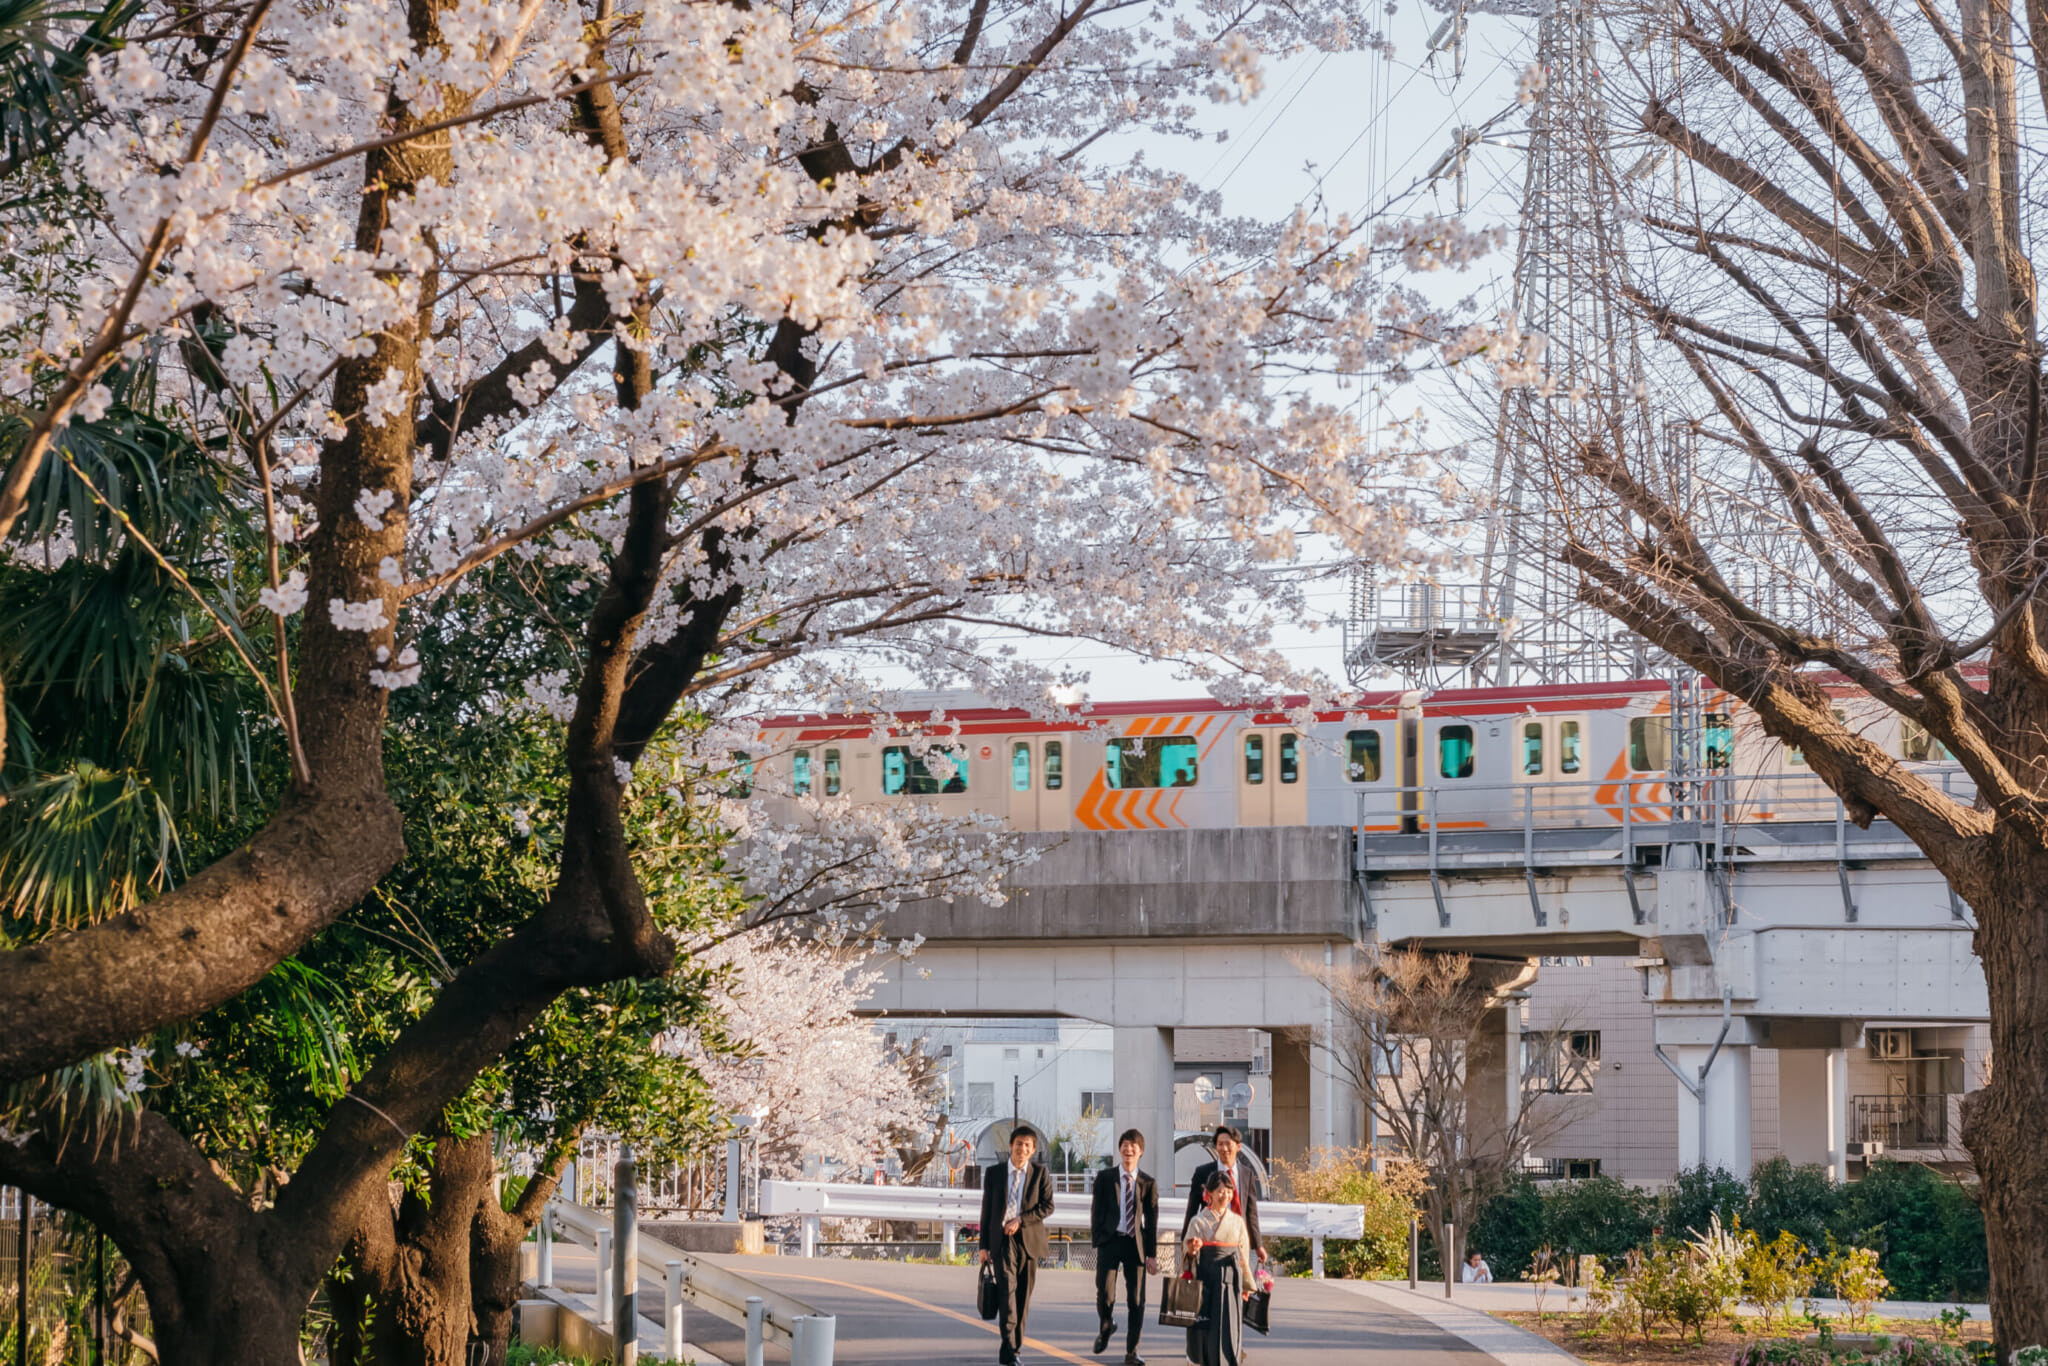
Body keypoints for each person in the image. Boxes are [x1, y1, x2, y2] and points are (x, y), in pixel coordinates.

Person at [979, 1124, 1054, 1365]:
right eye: (1018, 1144)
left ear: (1032, 1151)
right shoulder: (994, 1173)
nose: (1022, 1149)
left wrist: (1021, 1220)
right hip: (1002, 1242)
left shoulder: (1040, 1174)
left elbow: (1047, 1206)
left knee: (1023, 1297)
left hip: (1029, 1241)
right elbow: (987, 1211)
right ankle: (1008, 1347)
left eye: (1027, 1146)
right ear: (1011, 1146)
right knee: (1006, 1292)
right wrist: (983, 1246)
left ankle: (1015, 1348)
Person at [1090, 1129, 1160, 1364]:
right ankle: (1106, 1325)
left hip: (1135, 1244)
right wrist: (1098, 1238)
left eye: (1134, 1146)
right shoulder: (1105, 1177)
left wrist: (1151, 1254)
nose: (1128, 1149)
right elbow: (1096, 1211)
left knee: (1136, 1300)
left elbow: (1151, 1221)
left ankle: (1132, 1351)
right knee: (1105, 1293)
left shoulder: (1148, 1183)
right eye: (1125, 1145)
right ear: (1119, 1149)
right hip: (1110, 1241)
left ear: (1141, 1152)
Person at [1180, 1169, 1255, 1366]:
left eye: (1228, 1191)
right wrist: (1192, 1248)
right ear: (1210, 1193)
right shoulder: (1198, 1221)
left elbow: (1243, 1253)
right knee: (1205, 1325)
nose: (1225, 1195)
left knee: (1229, 1323)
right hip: (1205, 1276)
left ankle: (1229, 1360)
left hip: (1230, 1277)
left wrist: (1245, 1284)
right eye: (1220, 1191)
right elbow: (1187, 1250)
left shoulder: (1237, 1221)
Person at [1182, 1126, 1266, 1269]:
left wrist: (1258, 1245)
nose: (1224, 1148)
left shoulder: (1247, 1174)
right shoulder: (1203, 1172)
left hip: (1237, 1238)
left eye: (1228, 1144)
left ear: (1238, 1146)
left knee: (1238, 1284)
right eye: (1220, 1144)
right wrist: (1185, 1241)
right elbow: (1192, 1209)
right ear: (1215, 1146)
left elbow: (1251, 1212)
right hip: (1212, 1240)